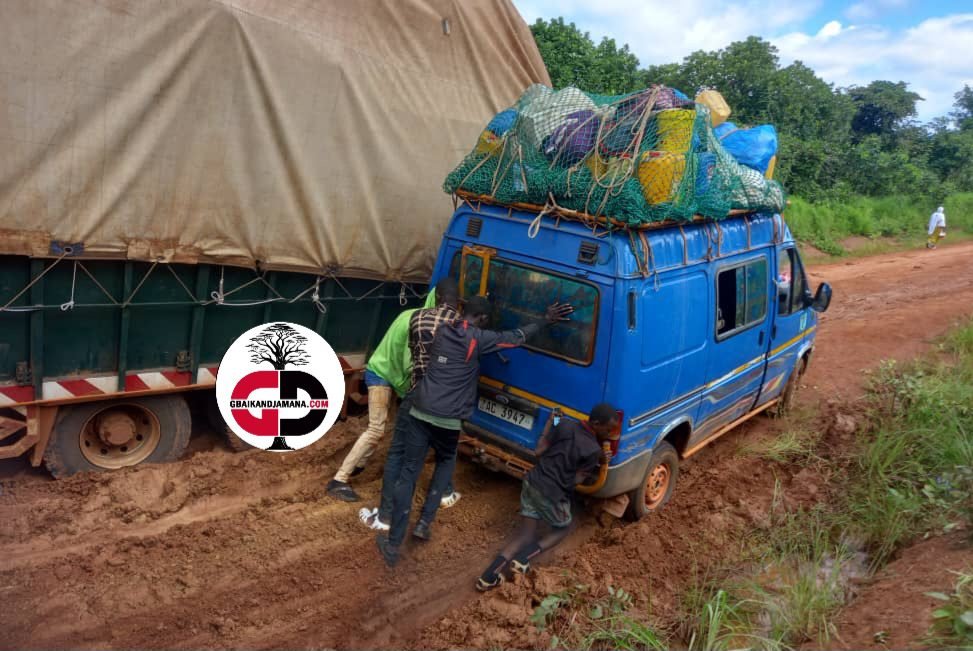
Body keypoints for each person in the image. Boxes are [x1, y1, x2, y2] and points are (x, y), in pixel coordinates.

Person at [375, 295, 574, 566]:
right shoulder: (479, 339)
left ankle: (393, 543)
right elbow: (516, 337)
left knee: (409, 472)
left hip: (421, 409)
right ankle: (424, 523)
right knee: (446, 461)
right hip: (449, 417)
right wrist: (546, 319)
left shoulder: (443, 330)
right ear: (481, 319)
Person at [326, 279, 459, 505]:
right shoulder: (422, 325)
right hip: (382, 375)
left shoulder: (412, 314)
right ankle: (339, 480)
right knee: (376, 428)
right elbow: (412, 365)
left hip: (386, 371)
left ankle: (359, 463)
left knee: (384, 426)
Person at [476, 403, 618, 591]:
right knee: (563, 527)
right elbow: (576, 480)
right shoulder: (593, 450)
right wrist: (601, 460)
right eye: (607, 430)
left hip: (532, 482)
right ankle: (522, 559)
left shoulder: (565, 423)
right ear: (596, 423)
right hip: (550, 493)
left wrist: (552, 420)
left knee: (525, 535)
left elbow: (540, 449)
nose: (609, 434)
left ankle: (488, 577)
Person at [357, 277, 463, 530]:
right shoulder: (467, 331)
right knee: (445, 452)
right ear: (459, 304)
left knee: (400, 456)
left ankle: (385, 518)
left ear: (435, 298)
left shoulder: (416, 319)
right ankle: (443, 498)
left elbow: (411, 361)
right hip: (449, 404)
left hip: (418, 397)